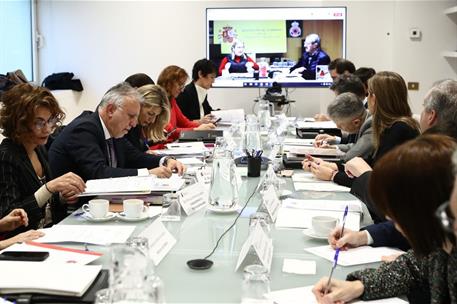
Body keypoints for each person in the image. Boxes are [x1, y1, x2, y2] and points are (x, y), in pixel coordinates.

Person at [313, 134, 457, 304]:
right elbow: (413, 267)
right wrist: (359, 286)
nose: (390, 217)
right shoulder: (440, 244)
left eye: (396, 211)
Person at [328, 79, 457, 251]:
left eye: (424, 106)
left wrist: (357, 175)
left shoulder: (432, 155)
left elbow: (406, 217)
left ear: (431, 115)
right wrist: (363, 236)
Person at [48, 82, 185, 181]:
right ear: (110, 110)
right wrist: (148, 174)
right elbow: (99, 173)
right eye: (131, 116)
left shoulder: (114, 130)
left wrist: (165, 160)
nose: (134, 123)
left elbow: (134, 157)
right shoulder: (84, 129)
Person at [0, 84, 86, 232]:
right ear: (19, 123)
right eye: (39, 123)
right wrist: (49, 188)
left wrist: (62, 197)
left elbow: (45, 205)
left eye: (50, 120)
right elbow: (10, 215)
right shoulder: (6, 156)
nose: (47, 129)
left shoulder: (39, 148)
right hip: (23, 239)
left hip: (50, 230)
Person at [302, 92, 373, 181]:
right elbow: (356, 146)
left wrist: (325, 164)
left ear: (356, 122)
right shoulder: (365, 120)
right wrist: (333, 148)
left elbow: (351, 157)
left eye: (341, 125)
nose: (338, 128)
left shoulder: (371, 124)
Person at [155, 65, 215, 145]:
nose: (182, 89)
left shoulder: (171, 100)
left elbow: (184, 122)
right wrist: (196, 130)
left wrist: (202, 125)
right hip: (162, 146)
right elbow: (170, 131)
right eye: (180, 85)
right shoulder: (158, 101)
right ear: (169, 84)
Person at [124, 84, 170, 152]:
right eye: (150, 114)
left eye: (156, 116)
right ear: (139, 105)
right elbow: (132, 156)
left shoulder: (138, 126)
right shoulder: (125, 126)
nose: (152, 121)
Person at [177, 59, 218, 123]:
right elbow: (180, 122)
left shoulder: (202, 92)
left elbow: (208, 112)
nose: (213, 81)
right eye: (212, 77)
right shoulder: (185, 93)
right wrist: (199, 122)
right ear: (200, 74)